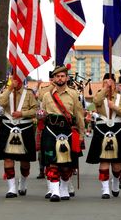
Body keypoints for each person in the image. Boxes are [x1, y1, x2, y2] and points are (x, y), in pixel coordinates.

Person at [41, 65, 85, 202]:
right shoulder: (47, 95)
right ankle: (55, 191)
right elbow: (41, 112)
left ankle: (64, 188)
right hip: (50, 130)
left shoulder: (73, 94)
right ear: (53, 78)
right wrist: (39, 116)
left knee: (66, 165)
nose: (60, 78)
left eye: (62, 76)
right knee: (52, 162)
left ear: (66, 78)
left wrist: (82, 134)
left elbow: (79, 115)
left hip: (67, 130)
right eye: (57, 76)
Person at [86, 73, 121, 199]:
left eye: (110, 83)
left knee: (116, 164)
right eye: (105, 82)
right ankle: (105, 189)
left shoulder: (120, 97)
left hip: (117, 128)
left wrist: (114, 107)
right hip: (102, 129)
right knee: (103, 160)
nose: (108, 85)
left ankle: (115, 182)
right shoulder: (99, 95)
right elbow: (94, 103)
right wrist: (105, 89)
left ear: (115, 84)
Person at [0, 77, 37, 198]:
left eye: (18, 79)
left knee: (25, 161)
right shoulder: (6, 92)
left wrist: (22, 113)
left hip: (25, 128)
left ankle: (23, 182)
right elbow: (0, 103)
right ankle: (11, 188)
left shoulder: (29, 93)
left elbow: (35, 109)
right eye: (14, 79)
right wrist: (10, 89)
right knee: (8, 158)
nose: (16, 81)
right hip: (8, 127)